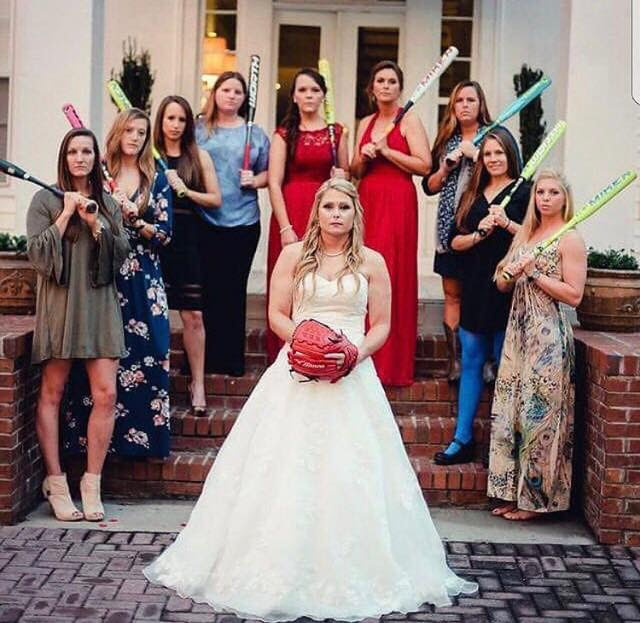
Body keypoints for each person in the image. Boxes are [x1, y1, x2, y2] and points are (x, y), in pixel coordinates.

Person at [143, 178, 477, 619]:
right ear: (317, 212)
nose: (336, 214)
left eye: (344, 207)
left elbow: (381, 324)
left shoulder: (373, 262)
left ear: (355, 214)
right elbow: (277, 315)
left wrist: (354, 353)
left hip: (353, 373)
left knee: (353, 468)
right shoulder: (294, 256)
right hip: (296, 372)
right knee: (281, 466)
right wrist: (306, 341)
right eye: (329, 206)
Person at [27, 128, 130, 521]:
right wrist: (66, 213)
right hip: (60, 307)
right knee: (52, 393)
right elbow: (38, 256)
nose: (80, 158)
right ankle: (56, 483)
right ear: (64, 157)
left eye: (87, 151)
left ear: (95, 158)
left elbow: (119, 258)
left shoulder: (107, 204)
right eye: (73, 151)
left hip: (99, 307)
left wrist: (94, 223)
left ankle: (91, 483)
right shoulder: (44, 200)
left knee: (106, 394)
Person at [64, 108, 173, 457]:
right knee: (101, 357)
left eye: (142, 132)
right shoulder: (99, 175)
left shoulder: (157, 179)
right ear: (117, 133)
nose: (135, 137)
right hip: (105, 274)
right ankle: (94, 448)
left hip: (144, 278)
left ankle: (144, 443)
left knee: (150, 349)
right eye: (129, 130)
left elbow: (166, 235)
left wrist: (137, 221)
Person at [489, 170, 586, 520]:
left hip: (547, 336)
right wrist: (510, 274)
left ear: (565, 198)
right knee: (511, 415)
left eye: (553, 192)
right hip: (518, 334)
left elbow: (574, 295)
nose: (545, 198)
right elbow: (501, 283)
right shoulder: (527, 233)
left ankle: (536, 501)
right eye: (541, 192)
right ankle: (512, 494)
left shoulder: (569, 239)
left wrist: (535, 273)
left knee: (539, 418)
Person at [434, 127, 527, 466]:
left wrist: (507, 224)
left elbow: (539, 237)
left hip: (508, 286)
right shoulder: (472, 193)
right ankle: (462, 439)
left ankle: (504, 445)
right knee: (472, 359)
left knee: (505, 363)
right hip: (474, 284)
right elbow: (454, 241)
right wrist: (478, 234)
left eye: (499, 152)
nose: (493, 159)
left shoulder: (526, 191)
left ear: (510, 154)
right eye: (487, 154)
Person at [350, 60, 431, 386]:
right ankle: (361, 354)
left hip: (398, 200)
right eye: (380, 80)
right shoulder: (365, 122)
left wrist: (387, 151)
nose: (385, 86)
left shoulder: (409, 120)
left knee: (392, 270)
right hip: (368, 199)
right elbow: (355, 169)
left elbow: (424, 165)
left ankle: (392, 364)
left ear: (399, 88)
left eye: (391, 81)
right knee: (363, 271)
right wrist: (364, 156)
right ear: (372, 88)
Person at [266, 67, 349, 362]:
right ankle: (287, 352)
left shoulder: (336, 133)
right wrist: (285, 227)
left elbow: (346, 179)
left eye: (315, 90)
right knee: (289, 282)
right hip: (292, 211)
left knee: (321, 281)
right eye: (302, 90)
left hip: (326, 213)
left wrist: (342, 175)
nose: (309, 95)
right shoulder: (283, 134)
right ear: (294, 96)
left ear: (323, 95)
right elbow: (274, 182)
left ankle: (322, 349)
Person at [196, 71, 270, 376]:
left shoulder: (255, 133)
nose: (231, 96)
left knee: (233, 290)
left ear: (244, 98)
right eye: (226, 90)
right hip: (205, 220)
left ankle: (231, 360)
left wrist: (255, 179)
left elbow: (270, 173)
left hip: (243, 222)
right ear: (215, 93)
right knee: (207, 290)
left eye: (238, 91)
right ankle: (204, 359)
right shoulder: (199, 129)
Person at [154, 95, 221, 413]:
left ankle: (198, 384)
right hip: (155, 241)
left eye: (182, 119)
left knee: (193, 315)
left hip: (188, 242)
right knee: (154, 316)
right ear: (161, 121)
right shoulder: (149, 155)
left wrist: (186, 190)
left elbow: (215, 199)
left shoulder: (198, 156)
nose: (176, 125)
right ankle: (156, 383)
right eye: (170, 118)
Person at [422, 81, 492, 381]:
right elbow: (429, 186)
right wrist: (446, 168)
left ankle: (485, 360)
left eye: (470, 100)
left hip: (482, 225)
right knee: (452, 295)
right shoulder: (445, 140)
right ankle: (455, 362)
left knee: (481, 294)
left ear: (480, 104)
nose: (464, 105)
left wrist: (476, 155)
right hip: (448, 227)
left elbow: (509, 174)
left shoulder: (494, 137)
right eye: (459, 100)